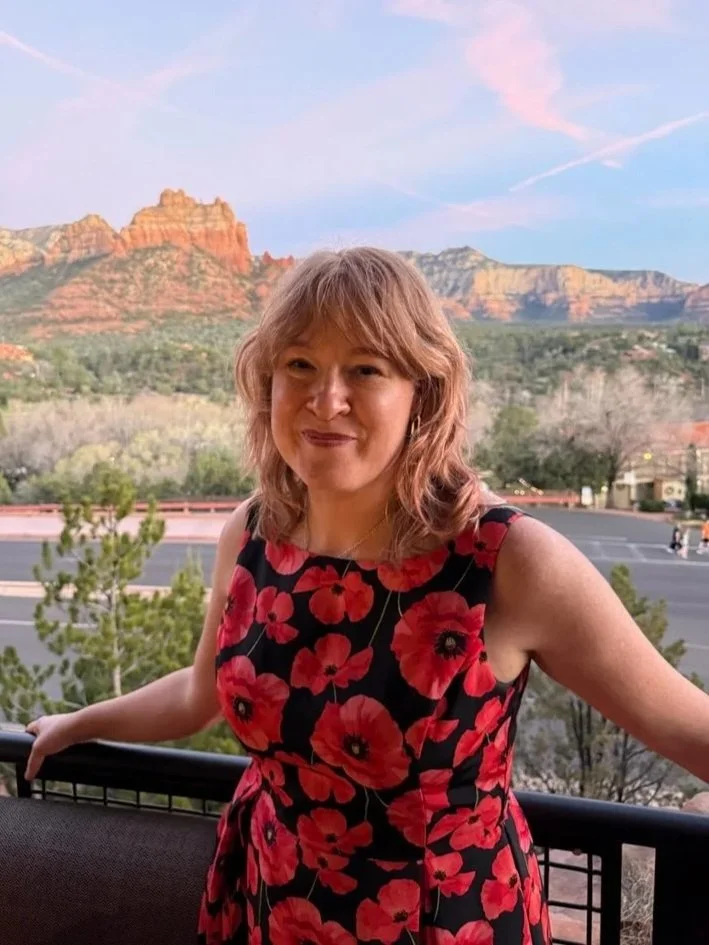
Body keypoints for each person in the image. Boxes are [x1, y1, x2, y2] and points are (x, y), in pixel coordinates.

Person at [24, 248, 709, 945]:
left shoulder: (503, 559)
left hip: (440, 925)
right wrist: (78, 722)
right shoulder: (255, 531)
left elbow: (689, 729)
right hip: (269, 901)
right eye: (298, 364)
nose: (326, 399)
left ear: (423, 390)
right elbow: (200, 690)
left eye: (365, 368)